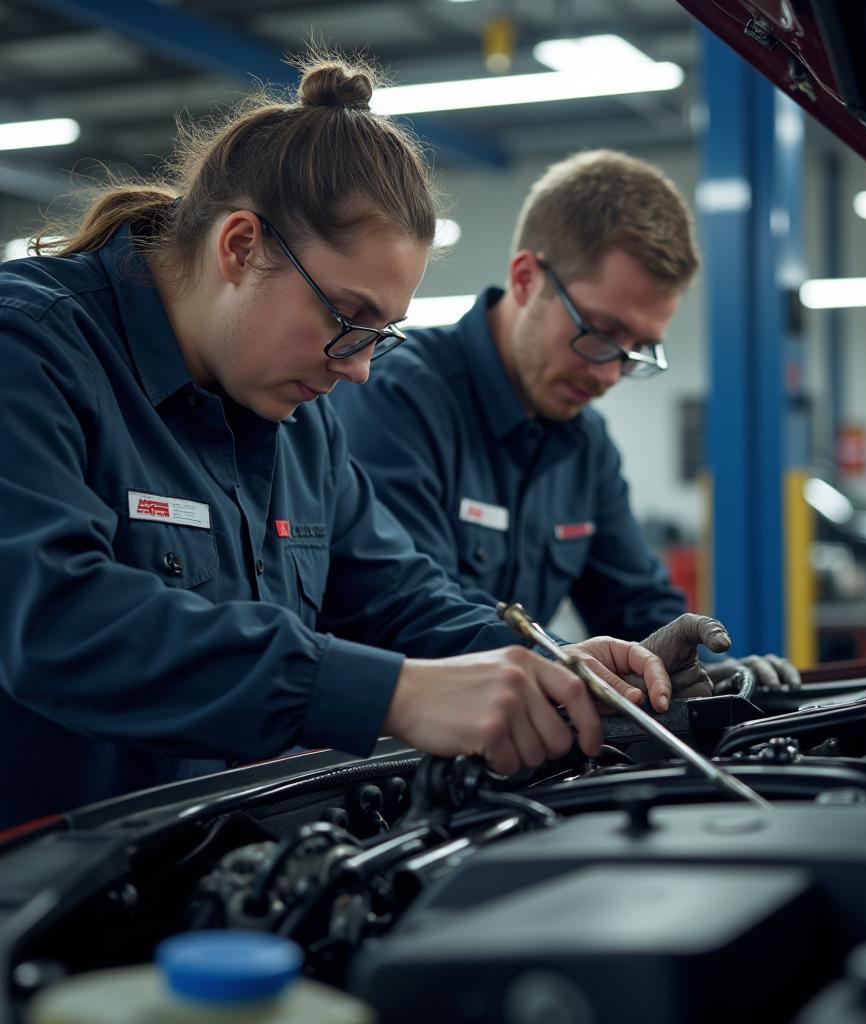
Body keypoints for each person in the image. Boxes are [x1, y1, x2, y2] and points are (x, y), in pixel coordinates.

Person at [0, 57, 711, 830]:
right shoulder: (32, 350)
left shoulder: (296, 413)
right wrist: (395, 694)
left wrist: (550, 670)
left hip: (218, 873)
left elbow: (397, 595)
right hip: (42, 896)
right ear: (240, 246)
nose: (363, 368)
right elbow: (59, 622)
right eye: (347, 317)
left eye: (381, 333)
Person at [336, 149, 800, 692]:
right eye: (601, 332)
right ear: (527, 278)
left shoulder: (585, 443)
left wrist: (695, 673)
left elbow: (637, 608)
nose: (609, 375)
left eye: (638, 348)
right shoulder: (394, 398)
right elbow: (414, 615)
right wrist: (572, 665)